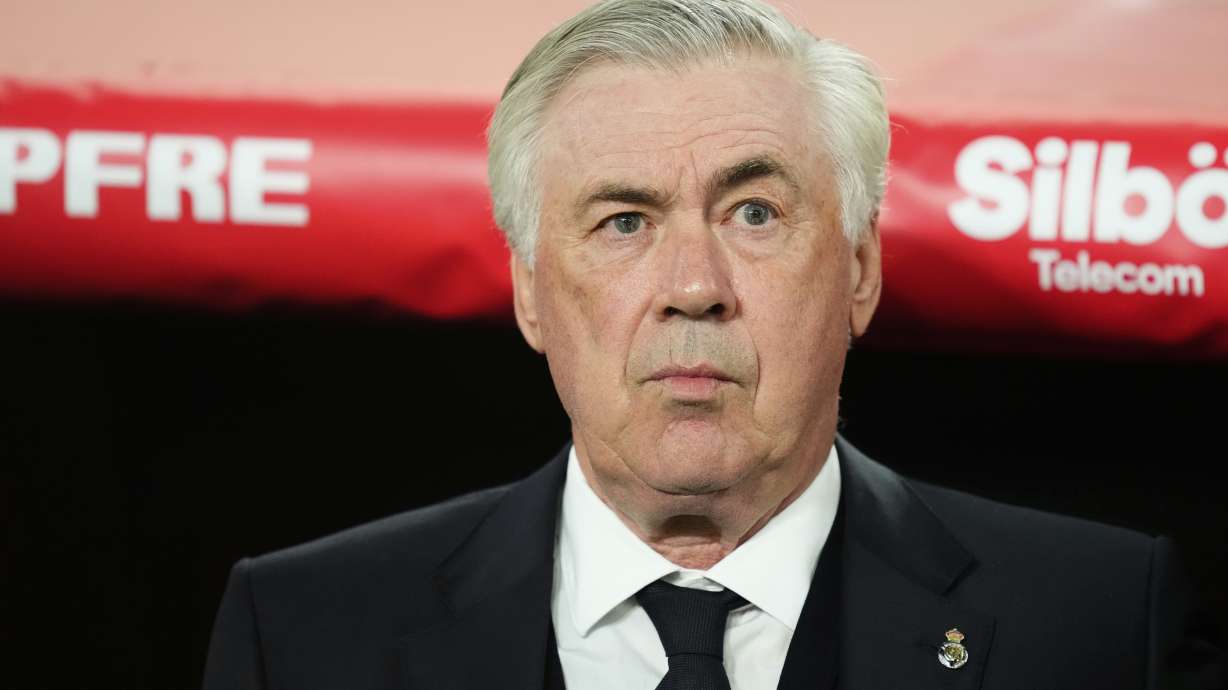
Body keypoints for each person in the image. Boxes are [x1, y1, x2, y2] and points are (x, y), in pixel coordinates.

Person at [203, 1, 1215, 688]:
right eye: (624, 222)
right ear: (527, 290)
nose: (694, 288)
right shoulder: (300, 635)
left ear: (859, 268)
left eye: (756, 214)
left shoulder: (1098, 624)